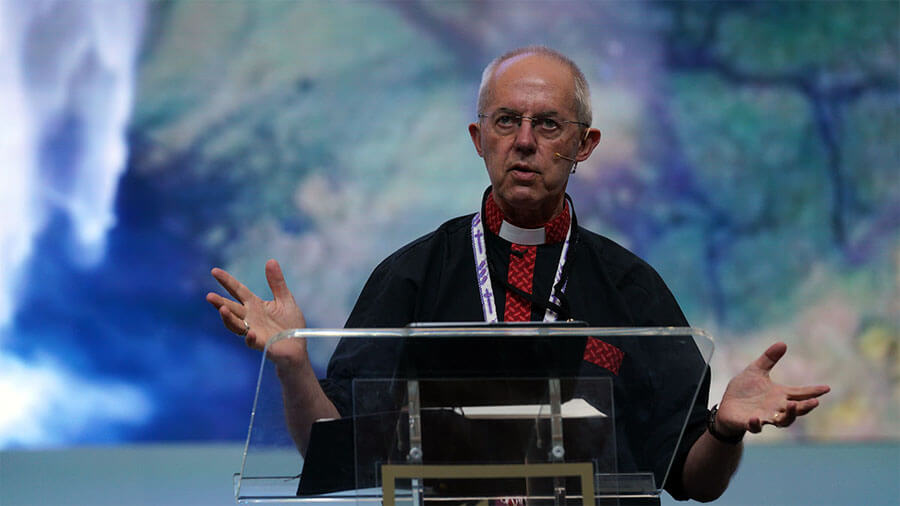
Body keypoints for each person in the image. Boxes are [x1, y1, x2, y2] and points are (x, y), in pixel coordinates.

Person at [207, 46, 830, 502]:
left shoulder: (631, 287)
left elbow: (695, 480)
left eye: (548, 124)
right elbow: (335, 445)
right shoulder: (412, 276)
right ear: (480, 138)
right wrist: (291, 365)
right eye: (507, 121)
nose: (524, 141)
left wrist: (722, 428)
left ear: (584, 145)